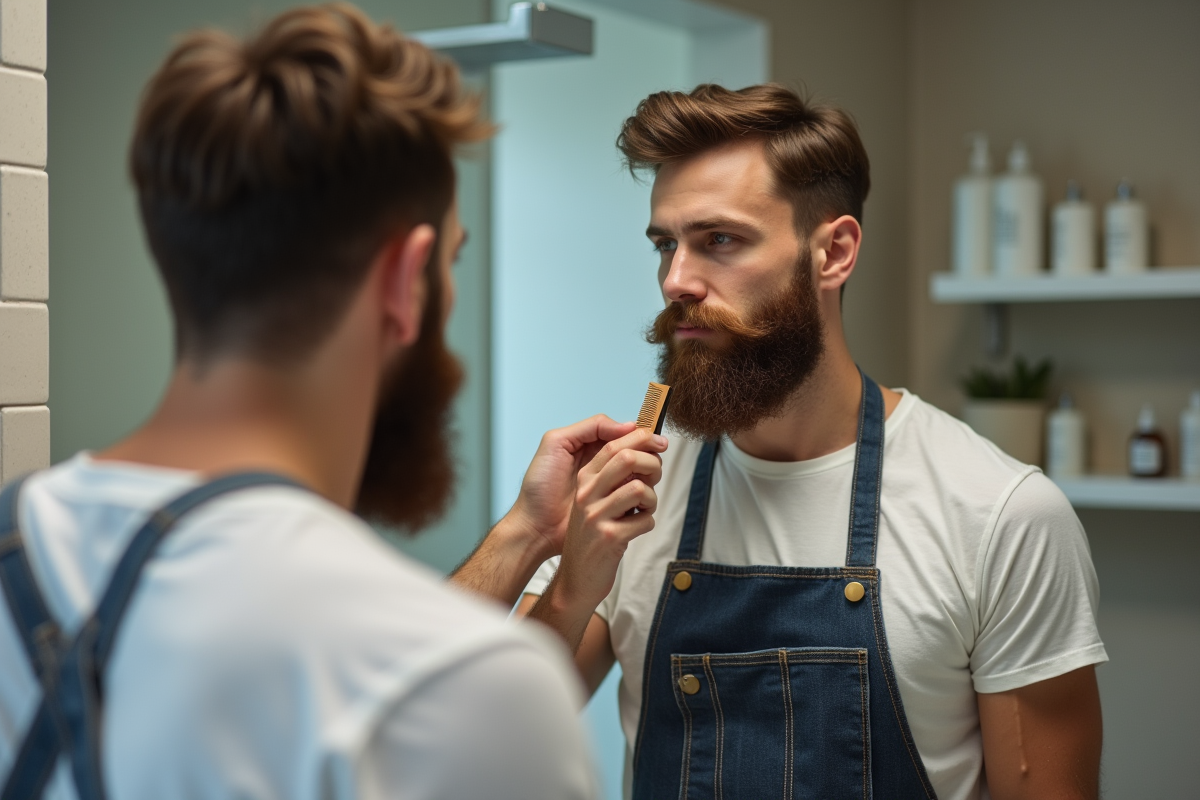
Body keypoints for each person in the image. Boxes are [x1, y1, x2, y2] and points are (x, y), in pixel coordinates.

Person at [0, 5, 666, 798]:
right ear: (404, 279)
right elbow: (417, 664)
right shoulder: (465, 687)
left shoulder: (22, 548)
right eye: (451, 261)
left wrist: (528, 534)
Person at [514, 84, 1107, 800]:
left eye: (719, 241)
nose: (676, 281)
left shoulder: (1003, 516)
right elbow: (481, 735)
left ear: (834, 252)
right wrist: (572, 583)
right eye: (666, 245)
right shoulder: (631, 493)